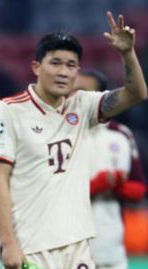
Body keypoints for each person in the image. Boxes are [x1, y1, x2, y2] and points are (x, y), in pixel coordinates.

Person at [0, 11, 147, 269]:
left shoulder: (81, 106)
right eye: (56, 63)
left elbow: (137, 93)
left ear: (77, 71)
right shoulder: (8, 110)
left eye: (71, 65)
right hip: (31, 244)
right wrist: (9, 243)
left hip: (77, 245)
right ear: (36, 67)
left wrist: (127, 54)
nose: (63, 72)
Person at [74, 70, 146, 269]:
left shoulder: (121, 135)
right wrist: (97, 185)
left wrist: (120, 186)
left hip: (112, 249)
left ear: (101, 98)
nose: (77, 98)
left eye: (84, 92)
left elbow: (139, 189)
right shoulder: (61, 134)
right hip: (71, 249)